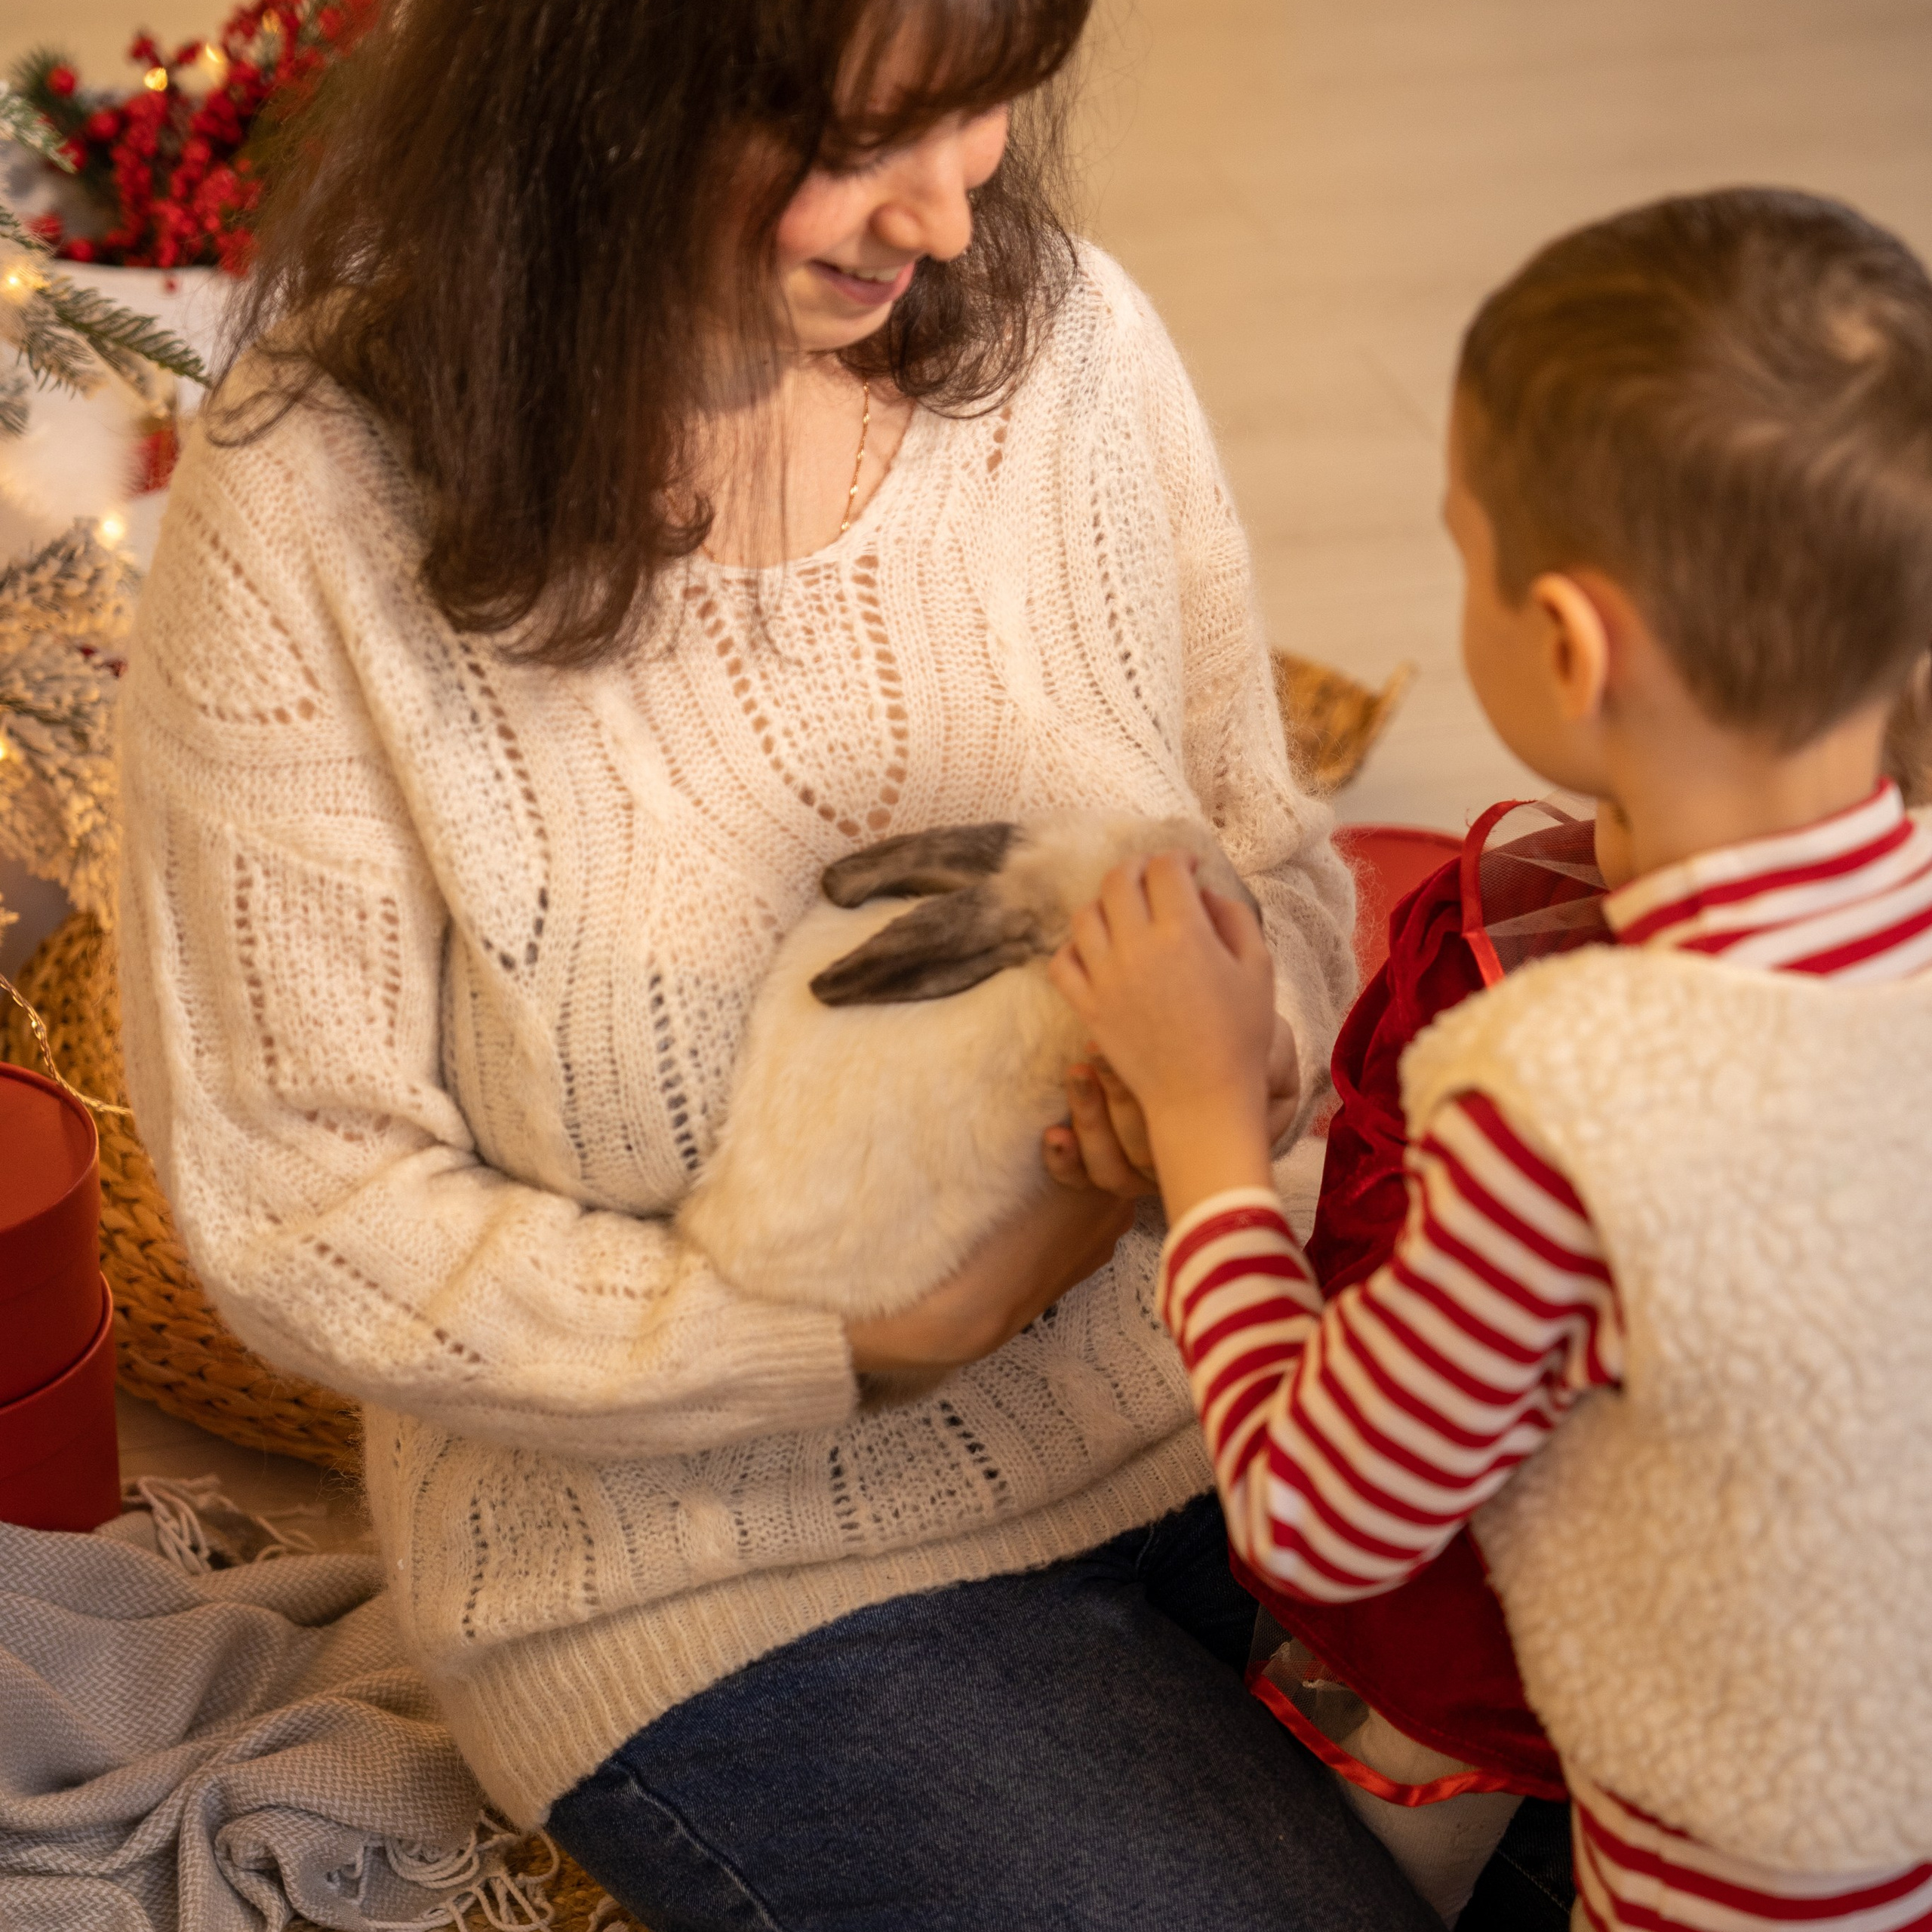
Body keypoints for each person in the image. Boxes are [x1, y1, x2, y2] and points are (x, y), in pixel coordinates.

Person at [113, 0, 1443, 1925]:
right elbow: (300, 1193)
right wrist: (873, 1338)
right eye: (856, 135)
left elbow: (1267, 851)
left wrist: (1241, 1055)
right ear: (601, 82)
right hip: (731, 1576)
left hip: (1245, 1376)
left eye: (983, 114)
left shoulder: (1070, 348)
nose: (949, 217)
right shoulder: (314, 491)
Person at [1051, 186, 1932, 1930]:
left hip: (1726, 1887)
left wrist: (1209, 1138)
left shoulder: (1566, 1097)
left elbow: (1318, 1515)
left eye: (1462, 546)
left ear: (1565, 642)